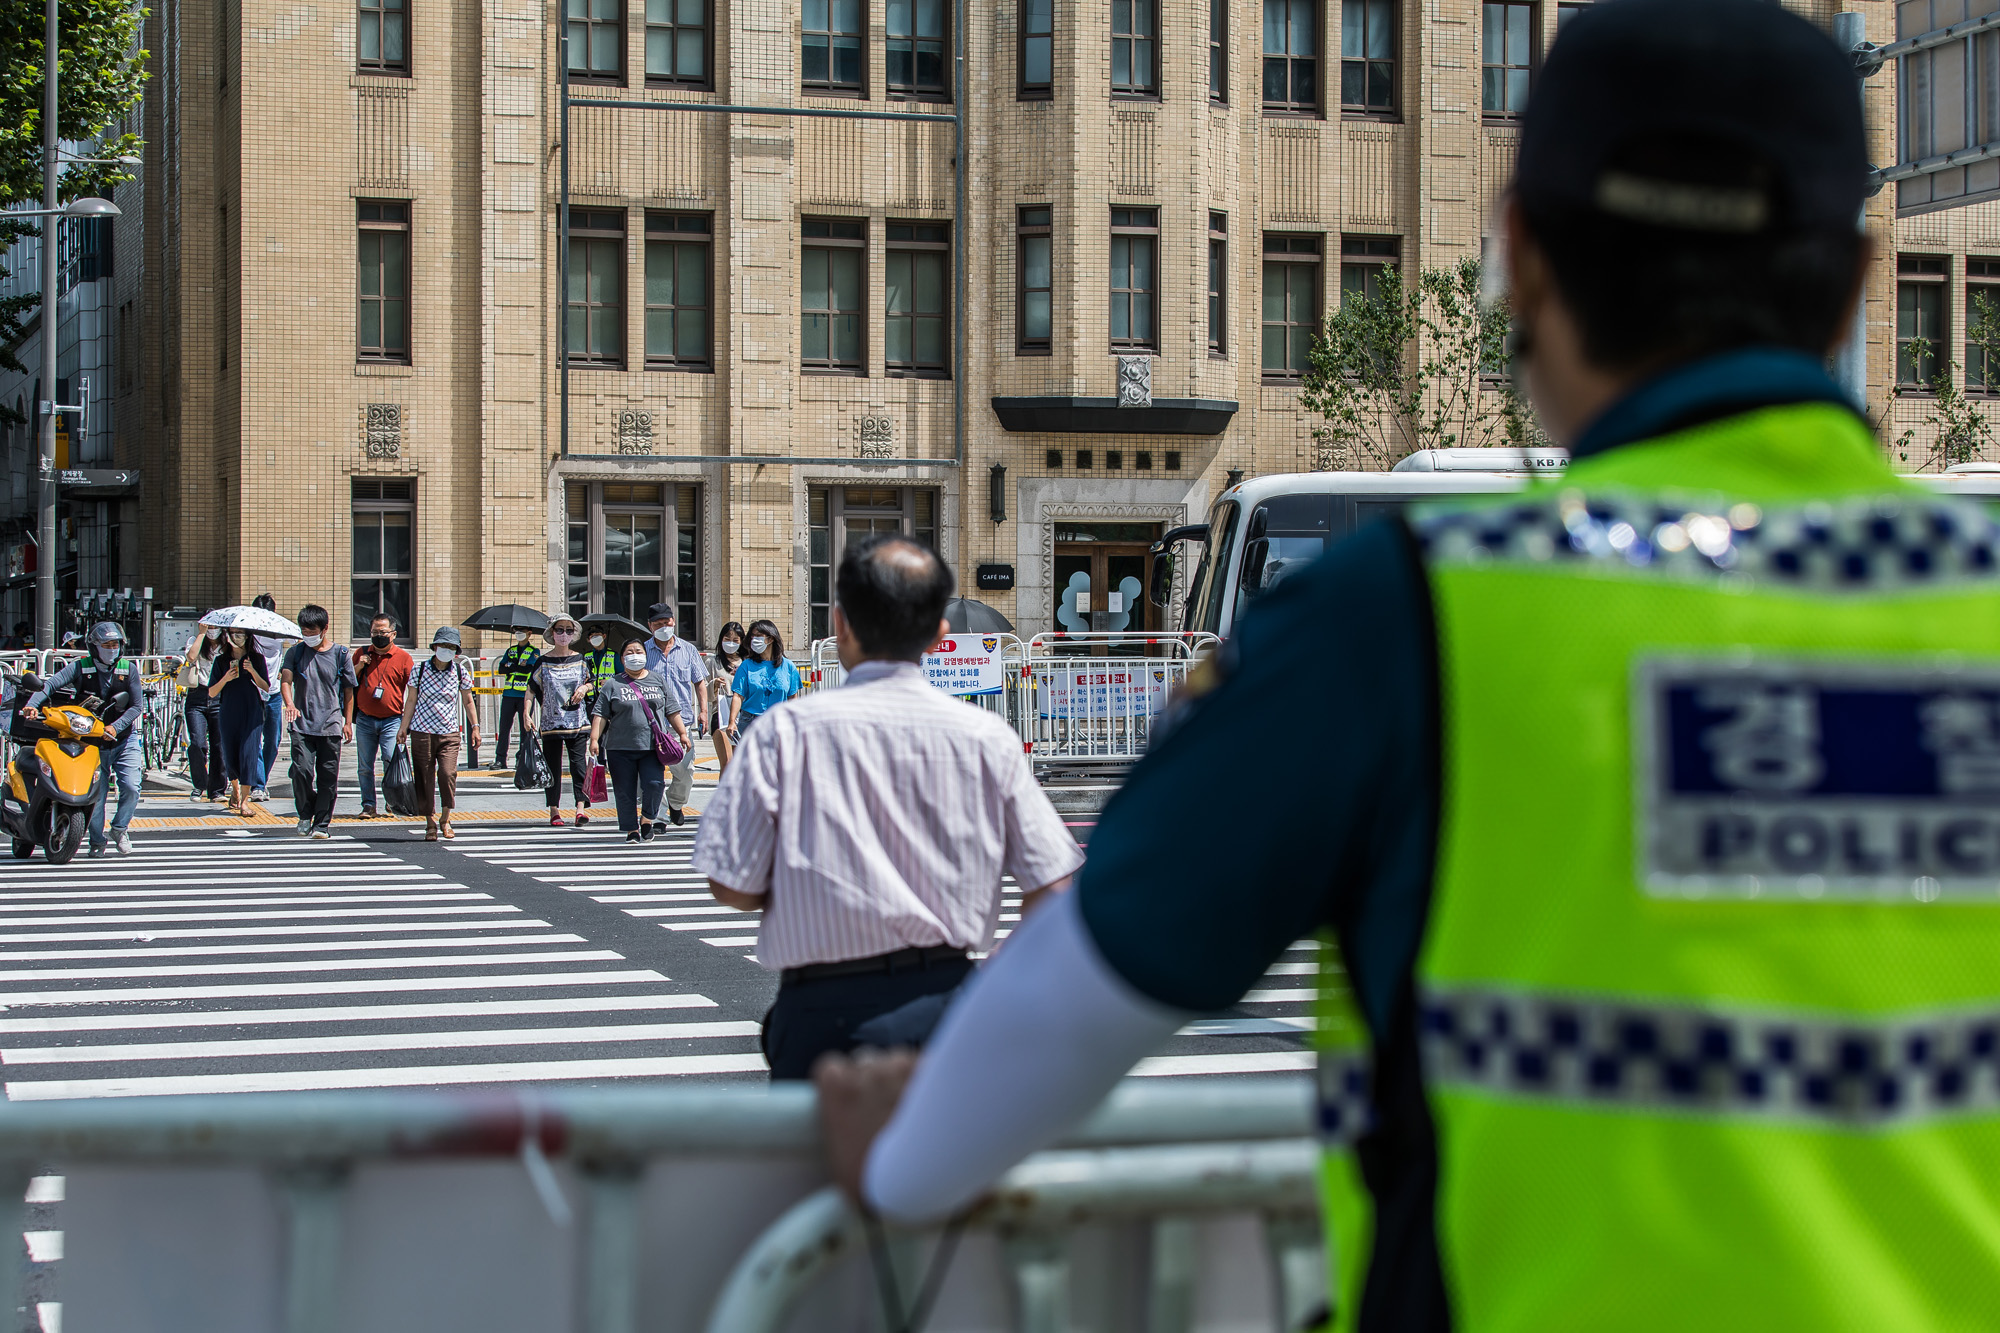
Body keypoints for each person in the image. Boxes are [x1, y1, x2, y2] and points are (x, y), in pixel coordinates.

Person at [826, 5, 2000, 1327]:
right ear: (1855, 282)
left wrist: (905, 1157)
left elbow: (1083, 988)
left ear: (1523, 258)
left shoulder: (1410, 614)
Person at [695, 536, 1082, 1081]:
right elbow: (1056, 888)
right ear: (940, 635)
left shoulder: (783, 734)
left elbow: (730, 885)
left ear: (840, 624)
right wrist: (993, 975)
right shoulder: (986, 738)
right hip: (947, 998)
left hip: (823, 1008)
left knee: (822, 1139)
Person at [21, 621, 145, 856]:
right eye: (106, 645)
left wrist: (116, 727)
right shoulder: (80, 667)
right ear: (94, 647)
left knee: (131, 787)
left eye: (116, 644)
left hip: (123, 739)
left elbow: (137, 706)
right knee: (96, 795)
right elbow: (49, 685)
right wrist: (32, 705)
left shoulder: (128, 669)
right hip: (90, 743)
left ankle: (119, 829)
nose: (112, 649)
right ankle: (97, 841)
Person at [589, 638, 689, 843]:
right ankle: (631, 829)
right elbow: (600, 714)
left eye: (638, 651)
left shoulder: (657, 680)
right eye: (629, 652)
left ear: (645, 655)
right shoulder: (613, 684)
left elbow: (672, 710)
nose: (634, 655)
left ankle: (647, 818)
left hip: (652, 747)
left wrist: (682, 734)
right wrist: (594, 739)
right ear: (622, 659)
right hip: (619, 747)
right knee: (624, 791)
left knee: (655, 784)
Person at [279, 604, 356, 839]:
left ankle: (321, 824)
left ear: (325, 629)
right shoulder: (295, 653)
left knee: (328, 777)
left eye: (312, 632)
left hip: (330, 724)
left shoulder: (341, 654)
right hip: (301, 724)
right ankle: (305, 813)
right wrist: (290, 704)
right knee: (301, 771)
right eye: (304, 631)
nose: (308, 636)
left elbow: (349, 690)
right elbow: (286, 680)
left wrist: (347, 722)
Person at [398, 626, 479, 841]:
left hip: (449, 732)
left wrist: (475, 727)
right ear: (434, 647)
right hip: (422, 731)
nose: (446, 649)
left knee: (447, 773)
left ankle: (446, 818)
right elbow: (411, 700)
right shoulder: (419, 670)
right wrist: (403, 727)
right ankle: (430, 822)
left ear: (456, 651)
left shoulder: (460, 672)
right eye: (443, 645)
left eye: (451, 647)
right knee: (424, 776)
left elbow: (468, 701)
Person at [525, 614, 596, 827]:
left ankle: (580, 809)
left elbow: (592, 682)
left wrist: (584, 688)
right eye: (560, 630)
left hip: (577, 722)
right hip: (551, 724)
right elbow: (531, 689)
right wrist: (526, 714)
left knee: (579, 766)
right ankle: (554, 810)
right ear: (552, 633)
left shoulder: (581, 659)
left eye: (568, 630)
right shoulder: (543, 662)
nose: (564, 634)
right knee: (552, 767)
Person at [642, 603, 707, 827]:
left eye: (666, 622)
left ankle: (676, 803)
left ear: (673, 621)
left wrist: (703, 711)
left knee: (685, 772)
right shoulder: (643, 651)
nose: (663, 627)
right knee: (654, 774)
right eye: (658, 624)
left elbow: (699, 682)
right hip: (651, 723)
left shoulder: (688, 649)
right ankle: (658, 817)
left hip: (682, 723)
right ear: (650, 626)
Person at [346, 613, 412, 818]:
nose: (378, 636)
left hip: (392, 719)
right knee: (365, 766)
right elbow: (347, 681)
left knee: (390, 760)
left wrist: (407, 722)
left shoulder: (403, 658)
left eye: (382, 632)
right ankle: (368, 805)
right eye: (374, 632)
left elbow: (413, 690)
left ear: (393, 634)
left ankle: (391, 801)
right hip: (365, 719)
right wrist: (359, 666)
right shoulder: (361, 653)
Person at [204, 625, 272, 818]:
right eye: (232, 633)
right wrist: (226, 678)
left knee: (249, 753)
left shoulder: (256, 658)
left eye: (240, 633)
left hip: (252, 710)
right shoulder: (221, 660)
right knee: (230, 752)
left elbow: (266, 686)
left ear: (248, 636)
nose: (236, 637)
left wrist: (252, 671)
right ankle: (235, 789)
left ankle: (244, 801)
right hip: (229, 710)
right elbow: (211, 692)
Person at [177, 617, 228, 802]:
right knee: (198, 743)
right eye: (208, 626)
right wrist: (201, 633)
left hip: (219, 696)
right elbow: (191, 657)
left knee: (219, 745)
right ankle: (199, 785)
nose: (212, 630)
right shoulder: (195, 640)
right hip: (197, 695)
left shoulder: (226, 644)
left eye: (215, 626)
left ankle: (217, 790)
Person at [727, 618, 800, 741]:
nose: (754, 639)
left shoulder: (788, 666)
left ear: (771, 639)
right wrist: (732, 721)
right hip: (750, 722)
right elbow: (738, 696)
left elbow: (793, 698)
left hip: (778, 723)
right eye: (752, 636)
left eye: (759, 636)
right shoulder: (746, 665)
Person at [249, 593, 283, 801]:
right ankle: (258, 785)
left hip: (274, 693)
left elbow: (298, 643)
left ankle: (262, 779)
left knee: (273, 740)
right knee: (255, 739)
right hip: (253, 691)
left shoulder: (280, 631)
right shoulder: (248, 634)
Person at [493, 629, 540, 771]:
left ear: (529, 633)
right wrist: (518, 666)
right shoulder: (510, 650)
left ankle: (522, 758)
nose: (519, 634)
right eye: (517, 631)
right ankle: (500, 759)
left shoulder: (534, 651)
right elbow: (501, 668)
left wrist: (512, 666)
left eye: (522, 631)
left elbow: (529, 669)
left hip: (525, 695)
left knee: (525, 729)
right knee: (504, 728)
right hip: (509, 694)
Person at [709, 621, 747, 773]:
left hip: (743, 715)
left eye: (735, 640)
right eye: (727, 639)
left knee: (740, 763)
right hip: (720, 714)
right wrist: (714, 684)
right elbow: (704, 690)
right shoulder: (713, 662)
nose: (730, 643)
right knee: (727, 763)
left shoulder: (747, 663)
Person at [582, 626, 619, 704]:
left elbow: (622, 676)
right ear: (588, 640)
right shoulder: (586, 656)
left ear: (604, 636)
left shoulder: (613, 655)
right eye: (592, 636)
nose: (595, 638)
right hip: (590, 698)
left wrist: (611, 682)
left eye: (597, 635)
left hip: (608, 697)